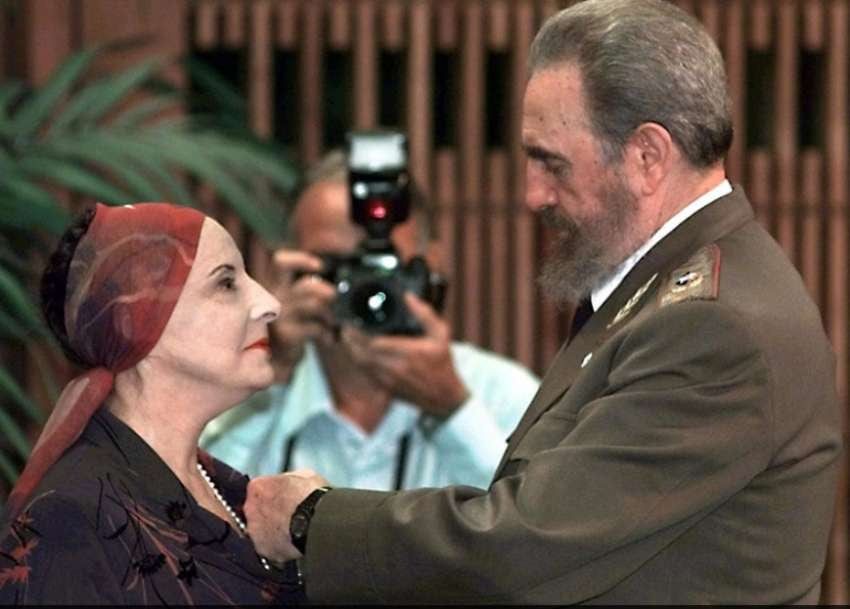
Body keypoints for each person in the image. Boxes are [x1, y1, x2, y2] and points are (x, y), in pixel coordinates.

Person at [241, 0, 843, 604]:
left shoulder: (711, 326)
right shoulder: (661, 292)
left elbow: (524, 545)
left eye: (551, 163)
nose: (532, 195)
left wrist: (313, 521)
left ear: (648, 157)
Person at [0, 202, 304, 604]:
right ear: (133, 320)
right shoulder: (72, 521)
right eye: (226, 283)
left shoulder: (232, 490)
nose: (270, 303)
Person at [201, 151, 539, 491]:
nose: (365, 289)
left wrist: (451, 409)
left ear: (430, 265)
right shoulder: (245, 400)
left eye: (382, 266)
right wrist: (269, 375)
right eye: (336, 266)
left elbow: (531, 529)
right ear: (290, 267)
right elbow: (196, 514)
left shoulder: (504, 396)